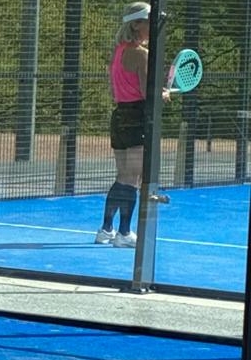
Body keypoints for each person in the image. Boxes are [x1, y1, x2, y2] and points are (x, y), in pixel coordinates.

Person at [96, 2, 168, 248]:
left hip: (119, 117)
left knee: (124, 176)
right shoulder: (141, 54)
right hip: (136, 118)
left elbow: (119, 88)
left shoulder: (119, 51)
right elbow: (149, 94)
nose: (153, 27)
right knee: (132, 179)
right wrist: (163, 94)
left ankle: (106, 229)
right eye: (149, 22)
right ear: (136, 25)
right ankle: (124, 233)